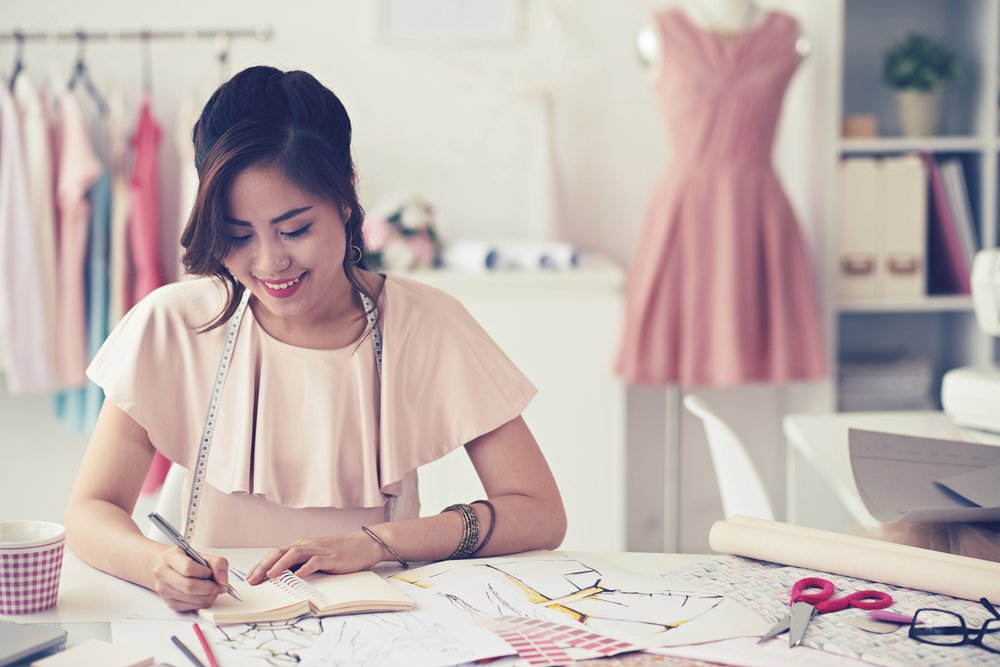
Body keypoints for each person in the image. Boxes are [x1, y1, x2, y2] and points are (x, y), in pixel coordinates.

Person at [64, 66, 567, 612]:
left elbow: (539, 512)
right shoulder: (172, 325)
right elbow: (90, 511)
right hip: (215, 624)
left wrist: (377, 544)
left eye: (295, 229)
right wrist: (156, 564)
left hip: (382, 632)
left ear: (346, 195)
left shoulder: (426, 325)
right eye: (237, 236)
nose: (268, 263)